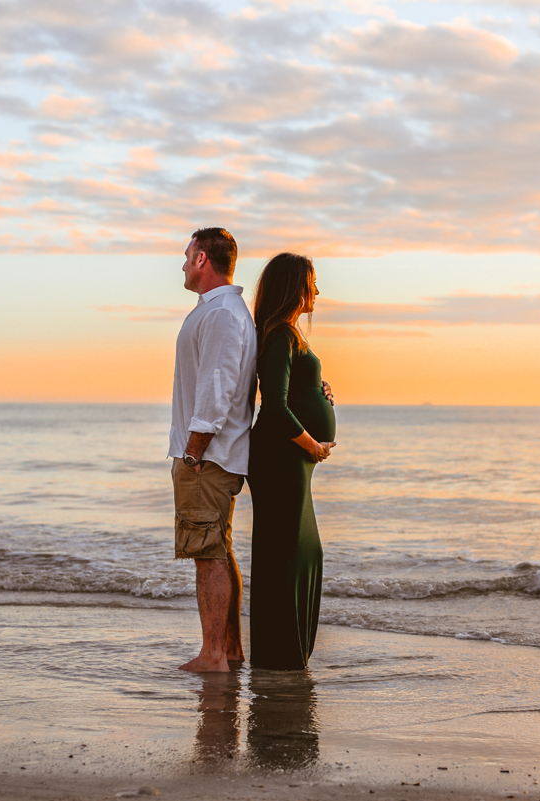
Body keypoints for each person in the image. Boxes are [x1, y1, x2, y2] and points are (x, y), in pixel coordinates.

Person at [169, 227, 258, 673]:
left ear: (203, 259)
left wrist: (193, 451)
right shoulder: (222, 311)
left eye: (187, 256)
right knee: (216, 547)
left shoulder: (223, 313)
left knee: (207, 553)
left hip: (209, 456)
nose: (183, 264)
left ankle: (213, 655)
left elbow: (218, 386)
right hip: (211, 454)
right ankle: (231, 650)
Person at [248, 253, 336, 671]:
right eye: (312, 283)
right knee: (288, 553)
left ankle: (287, 652)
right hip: (281, 459)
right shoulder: (280, 334)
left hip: (289, 461)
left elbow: (291, 396)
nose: (317, 291)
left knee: (299, 551)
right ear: (294, 287)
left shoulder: (288, 337)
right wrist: (311, 445)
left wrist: (317, 394)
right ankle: (280, 656)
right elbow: (274, 410)